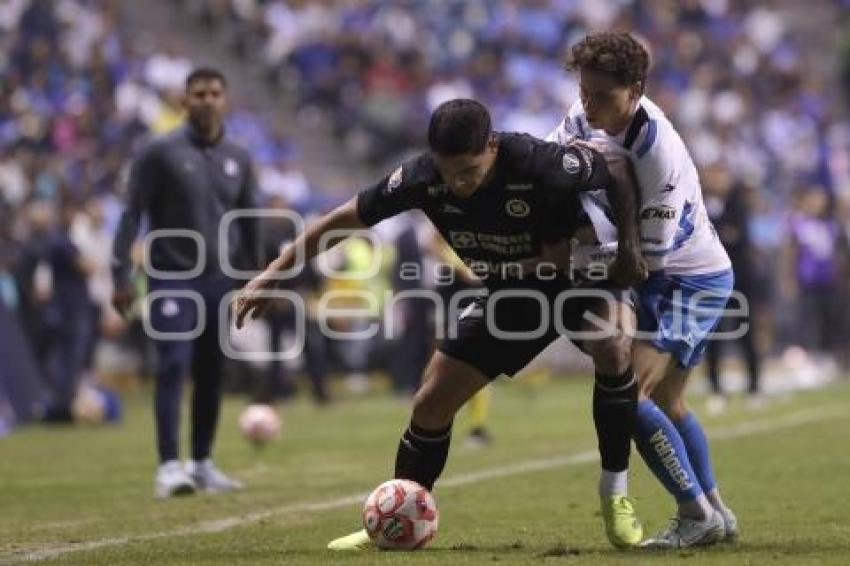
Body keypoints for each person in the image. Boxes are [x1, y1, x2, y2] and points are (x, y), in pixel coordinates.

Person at [236, 98, 648, 550]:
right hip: (513, 291)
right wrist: (270, 275)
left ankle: (615, 495)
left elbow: (616, 168)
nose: (459, 184)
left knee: (612, 345)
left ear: (491, 145)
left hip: (579, 278)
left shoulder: (539, 162)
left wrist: (629, 247)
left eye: (469, 171)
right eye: (448, 172)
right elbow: (341, 220)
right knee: (431, 403)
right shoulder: (420, 178)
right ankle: (397, 516)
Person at [548, 31, 736, 548]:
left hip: (688, 279)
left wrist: (577, 259)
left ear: (636, 90)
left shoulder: (659, 154)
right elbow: (549, 168)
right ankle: (716, 512)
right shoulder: (582, 114)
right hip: (666, 274)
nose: (588, 104)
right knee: (671, 402)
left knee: (629, 394)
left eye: (603, 96)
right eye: (585, 91)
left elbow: (641, 265)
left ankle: (694, 514)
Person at [112, 67, 260, 499]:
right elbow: (130, 213)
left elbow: (249, 221)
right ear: (184, 101)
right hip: (171, 276)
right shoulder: (158, 152)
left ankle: (201, 463)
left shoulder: (239, 155)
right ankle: (167, 467)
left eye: (215, 92)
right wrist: (120, 273)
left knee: (212, 372)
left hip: (220, 279)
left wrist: (258, 276)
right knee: (173, 364)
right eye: (199, 94)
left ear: (225, 100)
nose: (208, 100)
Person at [702, 165, 762, 412]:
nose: (716, 180)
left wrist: (718, 233)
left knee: (746, 333)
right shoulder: (701, 201)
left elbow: (739, 238)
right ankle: (716, 389)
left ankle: (755, 388)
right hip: (712, 279)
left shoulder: (739, 203)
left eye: (720, 174)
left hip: (739, 279)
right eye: (712, 175)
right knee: (712, 335)